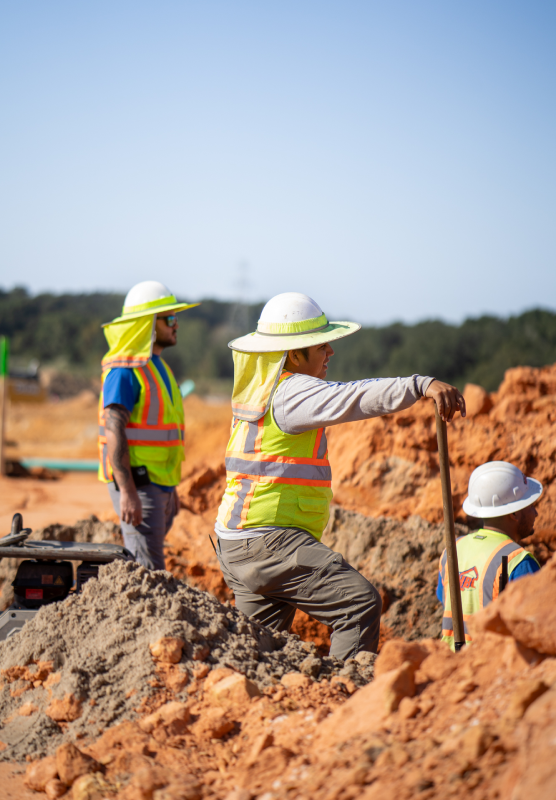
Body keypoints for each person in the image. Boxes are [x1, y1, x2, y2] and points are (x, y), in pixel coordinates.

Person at [214, 292, 465, 661]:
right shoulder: (290, 392)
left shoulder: (261, 394)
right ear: (294, 354)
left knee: (257, 653)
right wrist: (419, 385)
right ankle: (348, 699)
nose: (330, 352)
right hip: (268, 544)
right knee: (359, 604)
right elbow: (356, 396)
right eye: (321, 345)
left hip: (237, 544)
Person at [98, 280, 199, 570]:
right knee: (148, 569)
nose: (176, 325)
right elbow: (113, 430)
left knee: (149, 562)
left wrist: (170, 488)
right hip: (138, 484)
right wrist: (127, 491)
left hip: (158, 484)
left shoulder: (158, 367)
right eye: (170, 319)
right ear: (148, 325)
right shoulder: (124, 372)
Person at [438, 460, 542, 649]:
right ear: (515, 514)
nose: (535, 513)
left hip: (448, 665)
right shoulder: (518, 561)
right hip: (490, 667)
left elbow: (445, 601)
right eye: (530, 505)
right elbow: (539, 624)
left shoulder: (452, 551)